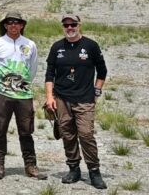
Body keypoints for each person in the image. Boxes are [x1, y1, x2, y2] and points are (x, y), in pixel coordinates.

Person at [45, 14, 108, 190]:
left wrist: (97, 90)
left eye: (73, 24)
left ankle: (94, 171)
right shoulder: (57, 47)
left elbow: (102, 71)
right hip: (62, 99)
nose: (70, 28)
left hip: (85, 99)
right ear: (62, 27)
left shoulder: (90, 46)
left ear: (79, 25)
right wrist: (49, 97)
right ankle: (73, 168)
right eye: (66, 25)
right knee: (67, 134)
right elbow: (50, 74)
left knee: (86, 134)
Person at [0, 12, 46, 180]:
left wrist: (23, 85)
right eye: (10, 22)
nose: (13, 25)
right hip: (1, 94)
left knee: (26, 131)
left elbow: (33, 68)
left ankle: (30, 165)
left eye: (17, 22)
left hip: (24, 95)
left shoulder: (30, 44)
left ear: (22, 25)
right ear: (5, 25)